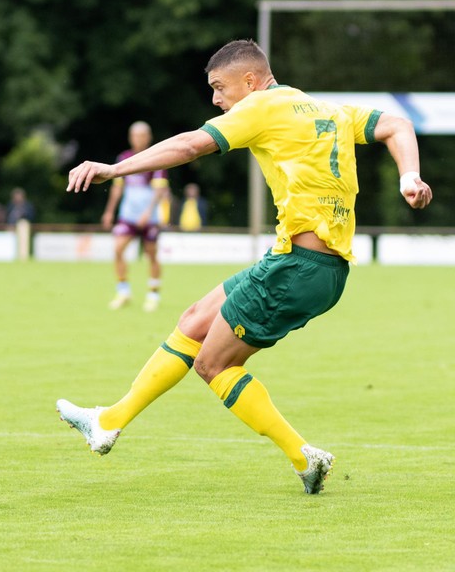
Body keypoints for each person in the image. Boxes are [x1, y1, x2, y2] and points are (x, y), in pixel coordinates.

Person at [58, 39, 432, 494]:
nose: (216, 99)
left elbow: (191, 144)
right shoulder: (324, 110)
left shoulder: (262, 108)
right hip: (299, 263)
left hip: (299, 267)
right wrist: (408, 175)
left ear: (250, 81)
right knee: (195, 320)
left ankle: (303, 456)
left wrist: (115, 170)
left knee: (213, 365)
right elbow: (396, 124)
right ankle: (109, 422)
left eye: (220, 87)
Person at [101, 121, 169, 312]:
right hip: (128, 216)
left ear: (148, 137)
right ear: (131, 138)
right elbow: (117, 188)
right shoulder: (124, 158)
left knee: (151, 254)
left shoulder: (157, 158)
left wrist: (148, 213)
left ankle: (153, 294)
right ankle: (123, 291)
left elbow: (160, 190)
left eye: (142, 136)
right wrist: (109, 211)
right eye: (135, 136)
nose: (138, 139)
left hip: (150, 217)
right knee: (117, 249)